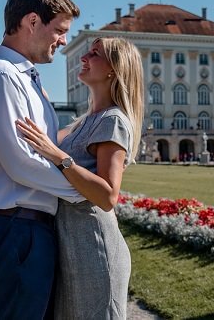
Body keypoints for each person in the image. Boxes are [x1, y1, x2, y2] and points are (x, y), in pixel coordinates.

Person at [0, 0, 81, 319]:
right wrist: (86, 190)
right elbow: (21, 165)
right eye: (59, 30)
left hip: (25, 230)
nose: (63, 41)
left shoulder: (25, 79)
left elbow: (44, 150)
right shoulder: (1, 77)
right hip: (16, 230)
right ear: (32, 21)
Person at [16, 36, 144, 319]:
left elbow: (108, 196)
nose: (84, 57)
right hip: (72, 246)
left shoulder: (113, 120)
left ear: (114, 69)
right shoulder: (84, 121)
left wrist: (58, 156)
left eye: (94, 53)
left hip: (95, 248)